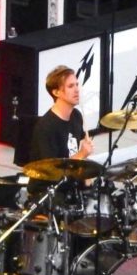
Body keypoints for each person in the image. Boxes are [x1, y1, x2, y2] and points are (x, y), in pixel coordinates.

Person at [27, 65, 94, 197]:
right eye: (70, 86)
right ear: (56, 92)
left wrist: (87, 176)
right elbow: (54, 172)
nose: (77, 90)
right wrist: (82, 154)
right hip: (48, 192)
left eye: (77, 85)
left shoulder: (76, 115)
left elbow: (78, 152)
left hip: (70, 184)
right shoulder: (46, 127)